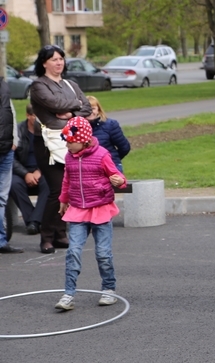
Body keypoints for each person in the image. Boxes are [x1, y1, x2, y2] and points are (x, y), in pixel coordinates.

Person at [54, 116, 126, 311]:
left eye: (71, 141)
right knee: (73, 251)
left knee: (103, 254)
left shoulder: (102, 154)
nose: (67, 145)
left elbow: (118, 176)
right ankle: (69, 293)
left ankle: (109, 289)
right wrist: (63, 200)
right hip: (78, 210)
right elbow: (67, 180)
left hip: (100, 209)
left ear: (84, 140)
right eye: (66, 141)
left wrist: (120, 181)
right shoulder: (69, 157)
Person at [30, 44, 92, 254]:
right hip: (48, 144)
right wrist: (75, 107)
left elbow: (87, 107)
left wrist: (70, 114)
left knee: (69, 190)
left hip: (71, 142)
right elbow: (53, 104)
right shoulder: (38, 85)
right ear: (44, 62)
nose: (59, 63)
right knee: (56, 190)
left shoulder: (71, 84)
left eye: (61, 59)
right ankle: (46, 236)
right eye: (54, 59)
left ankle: (60, 233)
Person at [9, 104, 49, 236]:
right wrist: (25, 174)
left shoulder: (47, 131)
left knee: (49, 183)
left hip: (42, 169)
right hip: (22, 170)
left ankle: (33, 222)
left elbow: (52, 154)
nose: (38, 119)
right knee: (14, 184)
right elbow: (11, 158)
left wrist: (40, 170)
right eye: (35, 116)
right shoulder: (18, 131)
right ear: (28, 116)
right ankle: (35, 221)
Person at [0, 75, 21, 254]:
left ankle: (1, 241)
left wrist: (14, 139)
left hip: (6, 149)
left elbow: (10, 112)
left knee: (1, 199)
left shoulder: (3, 86)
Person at [87, 96, 130, 172]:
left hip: (111, 167)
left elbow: (124, 147)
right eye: (87, 109)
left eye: (93, 108)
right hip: (90, 169)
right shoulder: (78, 127)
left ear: (98, 110)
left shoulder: (110, 125)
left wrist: (112, 159)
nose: (90, 111)